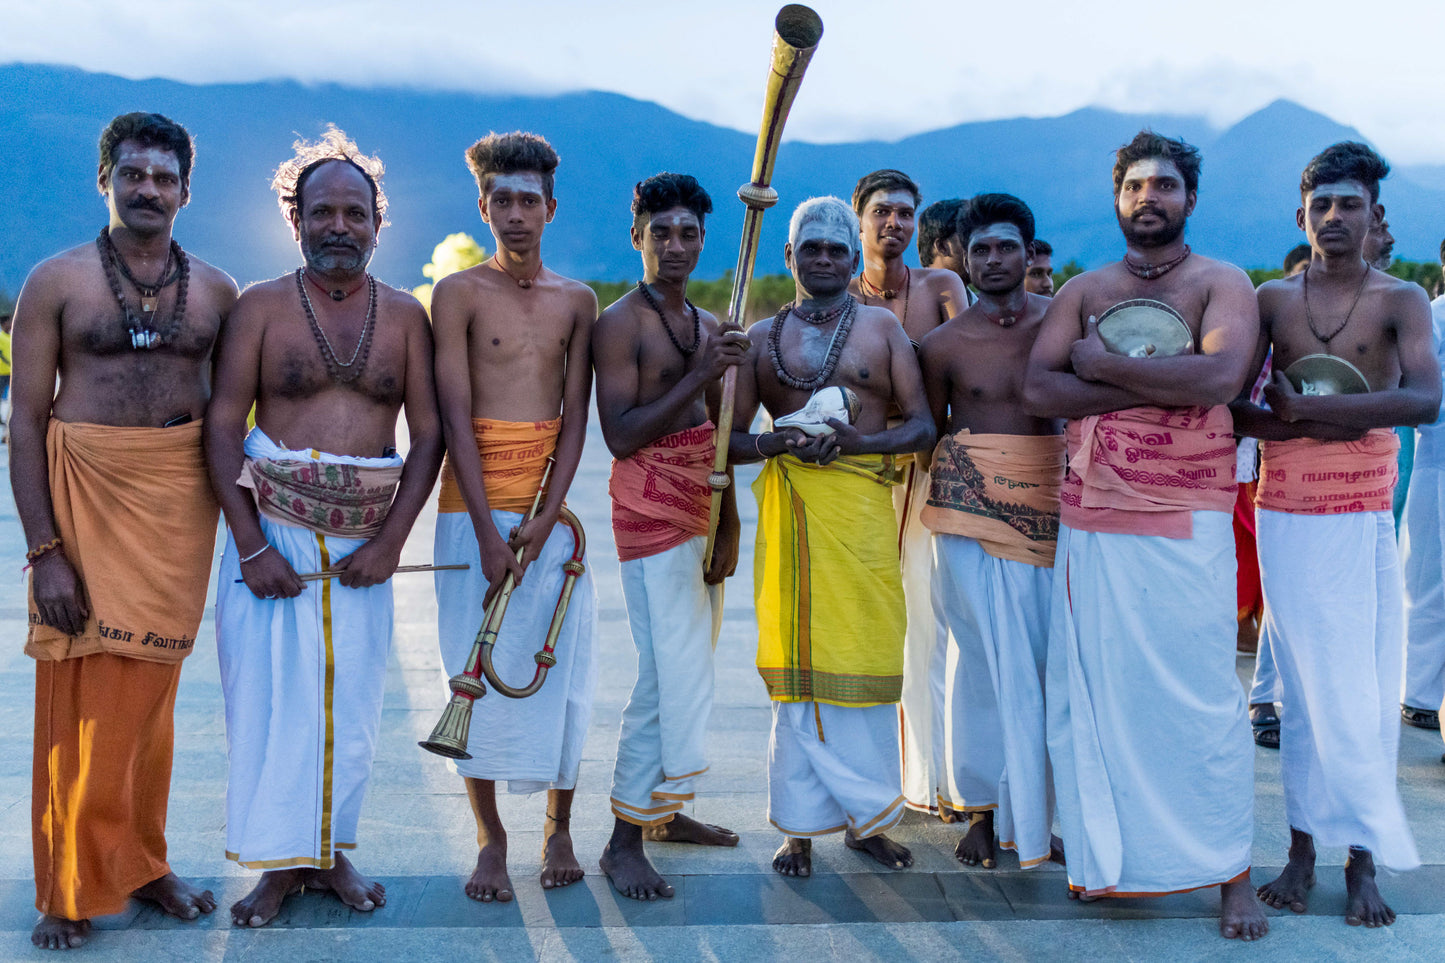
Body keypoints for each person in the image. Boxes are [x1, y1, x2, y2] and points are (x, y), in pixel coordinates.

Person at [1023, 130, 1267, 940]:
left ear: (1188, 199)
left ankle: (1228, 869)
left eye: (1165, 185)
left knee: (1199, 695)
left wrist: (1101, 368)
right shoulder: (1084, 289)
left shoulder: (1219, 282)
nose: (1149, 198)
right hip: (1093, 519)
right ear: (1117, 198)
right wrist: (1150, 382)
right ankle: (1109, 863)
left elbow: (1218, 379)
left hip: (1186, 516)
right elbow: (1036, 384)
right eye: (1135, 186)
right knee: (1098, 697)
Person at [205, 127, 443, 927]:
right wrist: (249, 546)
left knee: (348, 706)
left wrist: (389, 542)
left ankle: (330, 851)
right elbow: (220, 426)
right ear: (294, 220)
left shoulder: (408, 317)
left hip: (362, 547)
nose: (338, 226)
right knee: (271, 704)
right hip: (270, 536)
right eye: (321, 212)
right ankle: (276, 865)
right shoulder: (260, 308)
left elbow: (430, 435)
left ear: (379, 224)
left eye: (354, 212)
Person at [12, 111, 237, 951]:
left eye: (163, 177)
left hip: (177, 512)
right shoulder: (56, 281)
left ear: (186, 189)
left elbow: (228, 417)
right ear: (103, 180)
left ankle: (144, 861)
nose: (148, 189)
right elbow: (26, 420)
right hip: (84, 505)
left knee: (150, 707)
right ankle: (67, 880)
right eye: (132, 174)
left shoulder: (216, 290)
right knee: (82, 705)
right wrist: (44, 552)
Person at [1233, 142, 1435, 927]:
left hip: (1358, 518)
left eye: (1349, 204)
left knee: (1359, 690)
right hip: (1283, 512)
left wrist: (1312, 415)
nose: (1335, 217)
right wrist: (1291, 420)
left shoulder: (1400, 301)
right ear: (1300, 215)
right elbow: (1239, 409)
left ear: (1374, 215)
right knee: (1301, 692)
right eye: (1321, 205)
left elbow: (1422, 400)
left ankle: (1361, 862)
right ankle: (1301, 849)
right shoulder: (1272, 301)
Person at [731, 195, 934, 877]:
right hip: (793, 520)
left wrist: (859, 442)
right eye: (809, 248)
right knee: (799, 677)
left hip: (861, 516)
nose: (822, 258)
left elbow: (922, 427)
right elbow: (728, 440)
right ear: (788, 257)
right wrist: (776, 438)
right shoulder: (760, 338)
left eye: (835, 249)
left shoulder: (879, 329)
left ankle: (866, 819)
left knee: (869, 663)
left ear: (853, 260)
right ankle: (799, 827)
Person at [429, 130, 598, 903]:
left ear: (551, 208)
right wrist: (491, 533)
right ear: (483, 205)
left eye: (530, 200)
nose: (516, 213)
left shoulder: (577, 301)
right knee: (474, 674)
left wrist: (545, 512)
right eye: (503, 200)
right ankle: (490, 837)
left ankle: (558, 824)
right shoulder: (458, 294)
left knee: (561, 667)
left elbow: (574, 419)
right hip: (473, 510)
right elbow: (454, 417)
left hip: (547, 514)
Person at [592, 172, 750, 900]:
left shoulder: (712, 325)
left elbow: (719, 442)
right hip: (648, 514)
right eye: (662, 233)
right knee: (664, 674)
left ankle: (662, 811)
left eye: (688, 233)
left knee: (690, 668)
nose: (676, 245)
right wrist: (698, 374)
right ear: (637, 238)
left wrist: (729, 526)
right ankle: (622, 840)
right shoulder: (620, 323)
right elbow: (621, 436)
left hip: (700, 512)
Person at [918, 193, 1063, 871]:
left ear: (1029, 252)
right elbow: (929, 431)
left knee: (1045, 663)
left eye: (1006, 246)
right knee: (973, 662)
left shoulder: (1062, 325)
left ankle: (1040, 814)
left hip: (1051, 507)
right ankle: (977, 808)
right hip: (968, 514)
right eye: (980, 249)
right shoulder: (941, 345)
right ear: (963, 259)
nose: (994, 260)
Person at [848, 170, 968, 821]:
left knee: (930, 624)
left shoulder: (942, 287)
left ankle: (935, 780)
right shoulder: (838, 292)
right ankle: (873, 782)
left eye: (903, 214)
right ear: (857, 219)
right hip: (864, 476)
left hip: (931, 473)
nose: (893, 224)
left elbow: (975, 360)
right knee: (872, 630)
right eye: (881, 212)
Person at [1401, 236, 1445, 735]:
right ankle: (1419, 693)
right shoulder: (1434, 313)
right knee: (1428, 578)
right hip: (1438, 460)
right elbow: (1419, 395)